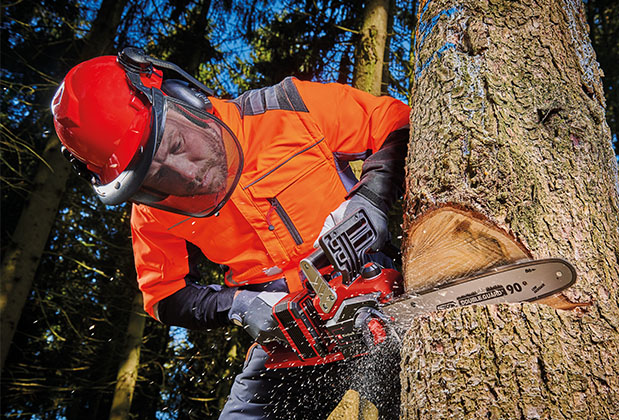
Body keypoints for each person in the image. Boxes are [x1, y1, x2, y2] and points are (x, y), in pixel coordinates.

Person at [51, 47, 409, 419]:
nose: (186, 173)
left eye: (175, 145)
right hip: (286, 328)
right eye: (157, 175)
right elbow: (163, 295)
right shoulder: (152, 210)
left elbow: (394, 120)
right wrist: (238, 306)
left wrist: (371, 198)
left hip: (366, 274)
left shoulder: (286, 106)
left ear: (183, 96)